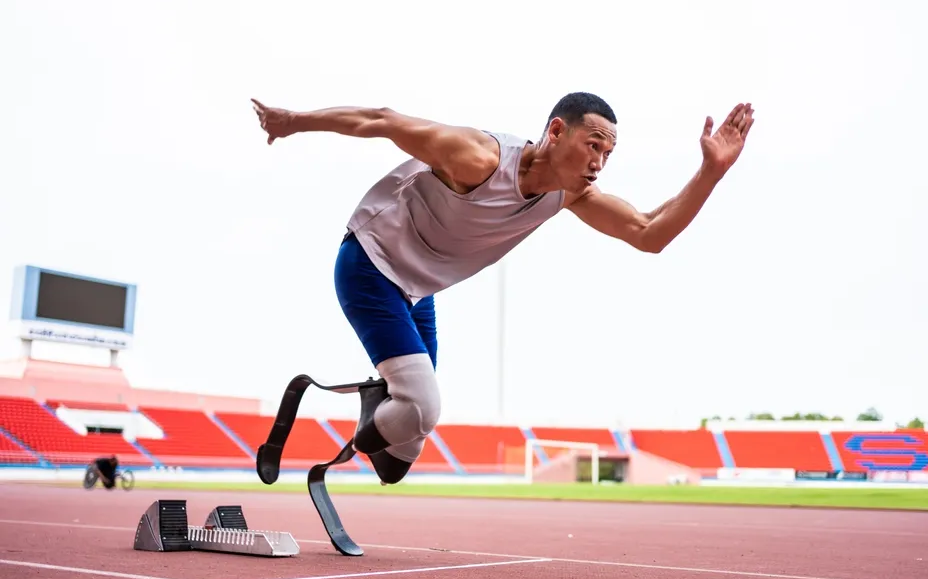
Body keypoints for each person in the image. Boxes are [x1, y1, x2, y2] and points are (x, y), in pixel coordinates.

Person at [250, 92, 754, 484]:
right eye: (592, 145)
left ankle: (376, 406)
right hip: (371, 263)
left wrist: (710, 172)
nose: (599, 162)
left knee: (400, 456)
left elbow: (649, 233)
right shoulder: (477, 157)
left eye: (608, 152)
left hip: (417, 290)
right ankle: (364, 424)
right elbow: (382, 120)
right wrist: (292, 121)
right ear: (556, 131)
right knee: (421, 409)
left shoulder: (570, 193)